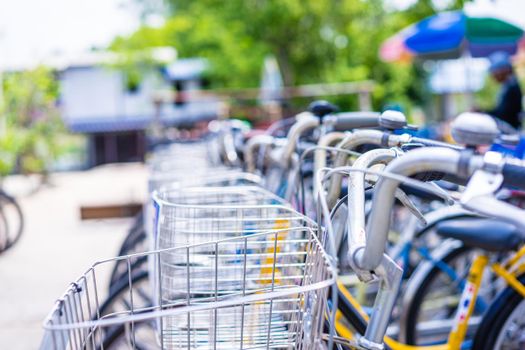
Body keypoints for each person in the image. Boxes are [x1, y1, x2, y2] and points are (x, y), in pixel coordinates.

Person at [485, 51, 523, 131]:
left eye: (494, 71)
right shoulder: (508, 85)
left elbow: (504, 114)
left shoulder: (511, 86)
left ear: (504, 70)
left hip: (511, 131)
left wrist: (483, 113)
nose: (493, 75)